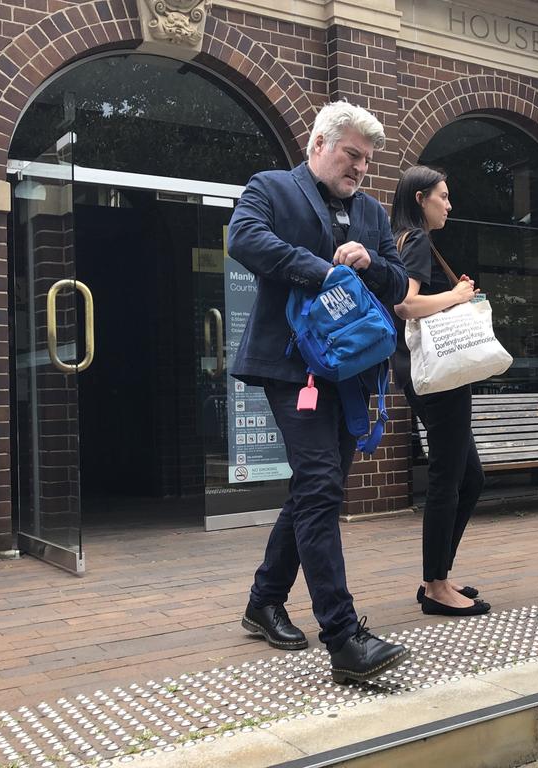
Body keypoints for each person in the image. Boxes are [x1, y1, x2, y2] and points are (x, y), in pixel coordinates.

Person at [228, 101, 410, 684]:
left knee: (316, 488)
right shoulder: (272, 188)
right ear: (318, 144)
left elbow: (399, 279)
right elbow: (244, 239)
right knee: (321, 486)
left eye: (366, 160)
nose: (359, 167)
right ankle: (343, 634)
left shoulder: (373, 213)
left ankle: (263, 601)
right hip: (291, 368)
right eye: (351, 154)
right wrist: (323, 269)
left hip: (349, 372)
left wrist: (368, 265)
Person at [390, 165, 490, 617]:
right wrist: (457, 296)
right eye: (443, 196)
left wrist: (453, 293)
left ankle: (438, 574)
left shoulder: (405, 243)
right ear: (419, 199)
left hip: (424, 374)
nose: (449, 204)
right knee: (449, 479)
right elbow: (406, 304)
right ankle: (436, 585)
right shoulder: (414, 243)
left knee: (470, 477)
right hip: (438, 376)